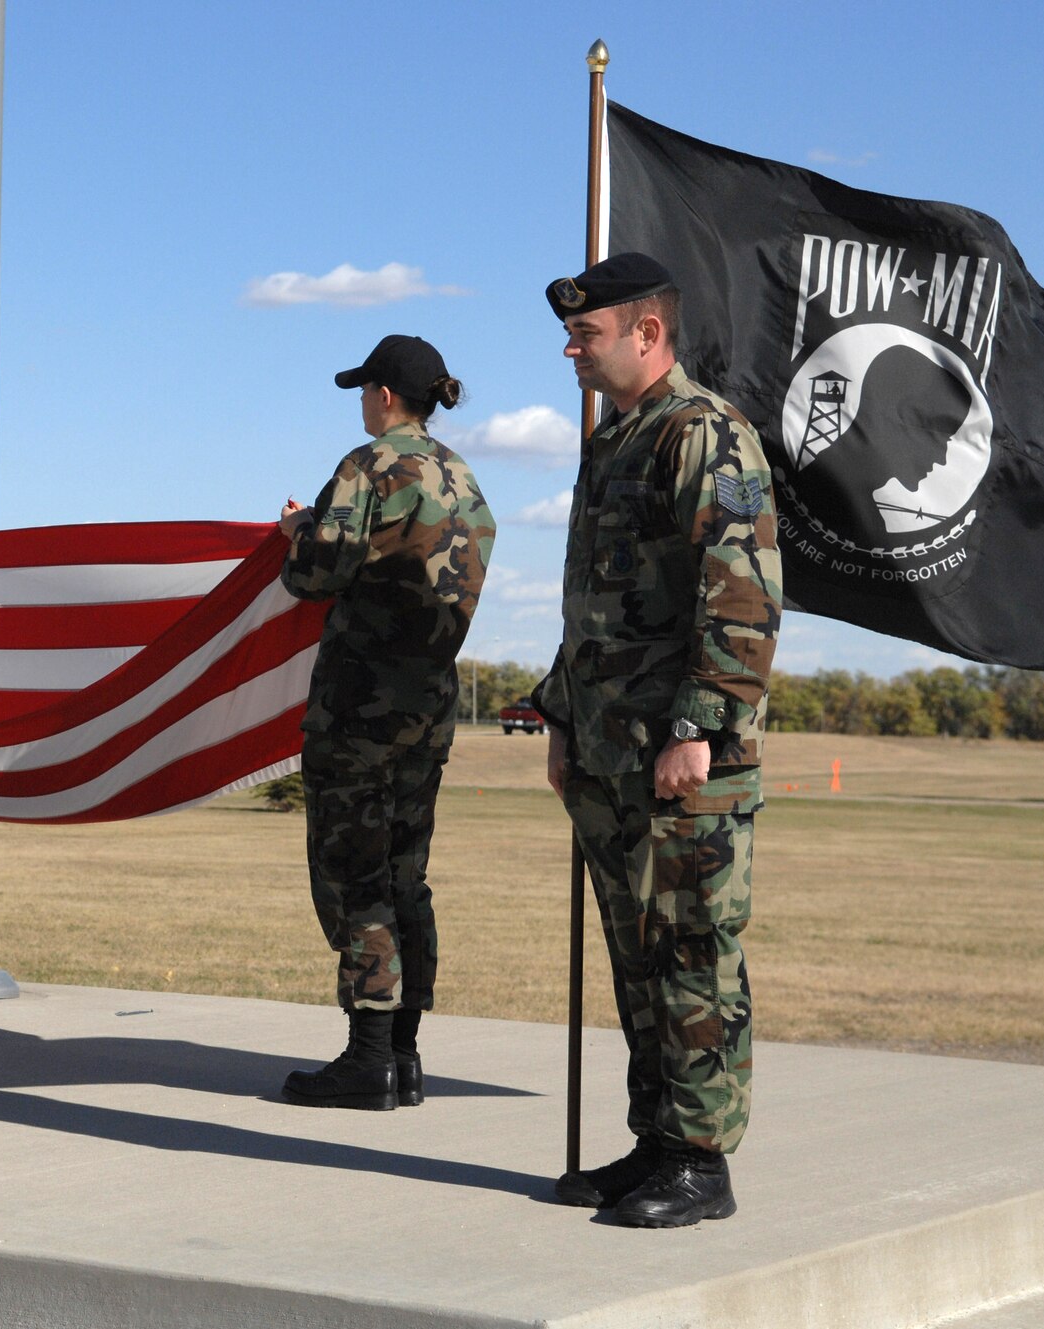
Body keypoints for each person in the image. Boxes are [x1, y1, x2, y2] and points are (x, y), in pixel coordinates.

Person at [535, 253, 782, 1227]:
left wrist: (700, 728)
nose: (569, 350)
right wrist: (559, 713)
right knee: (638, 955)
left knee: (690, 954)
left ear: (646, 333)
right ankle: (656, 1144)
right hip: (606, 752)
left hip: (680, 754)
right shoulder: (615, 441)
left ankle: (702, 1160)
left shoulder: (704, 436)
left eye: (585, 334)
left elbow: (742, 595)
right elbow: (588, 604)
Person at [276, 334, 495, 1111]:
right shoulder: (464, 479)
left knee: (355, 870)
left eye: (365, 389)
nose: (362, 403)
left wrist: (294, 530)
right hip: (429, 706)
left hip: (360, 706)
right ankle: (404, 1055)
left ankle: (368, 1056)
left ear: (386, 396)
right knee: (407, 872)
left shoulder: (369, 467)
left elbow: (315, 573)